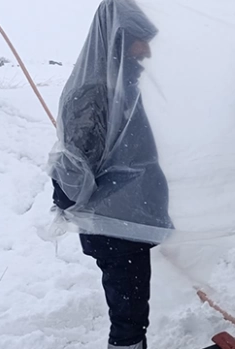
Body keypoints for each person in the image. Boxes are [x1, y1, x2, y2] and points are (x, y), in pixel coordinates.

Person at [48, 1, 172, 348]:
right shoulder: (93, 95)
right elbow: (76, 170)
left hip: (127, 221)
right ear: (119, 38)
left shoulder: (122, 87)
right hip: (114, 227)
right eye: (140, 40)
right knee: (128, 318)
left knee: (133, 313)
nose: (147, 50)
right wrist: (64, 195)